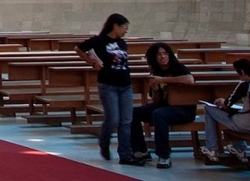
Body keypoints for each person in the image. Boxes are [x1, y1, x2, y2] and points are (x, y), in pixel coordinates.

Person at [76, 13, 143, 165]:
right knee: (113, 118)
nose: (126, 30)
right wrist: (92, 62)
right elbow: (79, 49)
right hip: (108, 85)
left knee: (126, 121)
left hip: (125, 84)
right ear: (115, 26)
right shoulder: (99, 41)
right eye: (124, 27)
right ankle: (104, 142)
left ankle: (125, 154)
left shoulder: (122, 43)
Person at [130, 42, 197, 169]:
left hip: (183, 109)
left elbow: (190, 80)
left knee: (159, 114)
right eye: (159, 54)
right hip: (164, 106)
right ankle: (141, 151)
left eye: (165, 53)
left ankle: (164, 155)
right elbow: (157, 101)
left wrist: (164, 80)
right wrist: (155, 89)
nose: (163, 57)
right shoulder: (155, 72)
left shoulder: (178, 68)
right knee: (133, 112)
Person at [200, 58, 250, 163]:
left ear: (242, 72)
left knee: (209, 109)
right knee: (239, 114)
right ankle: (238, 148)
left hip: (244, 125)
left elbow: (227, 105)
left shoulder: (244, 85)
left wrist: (222, 101)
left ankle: (212, 148)